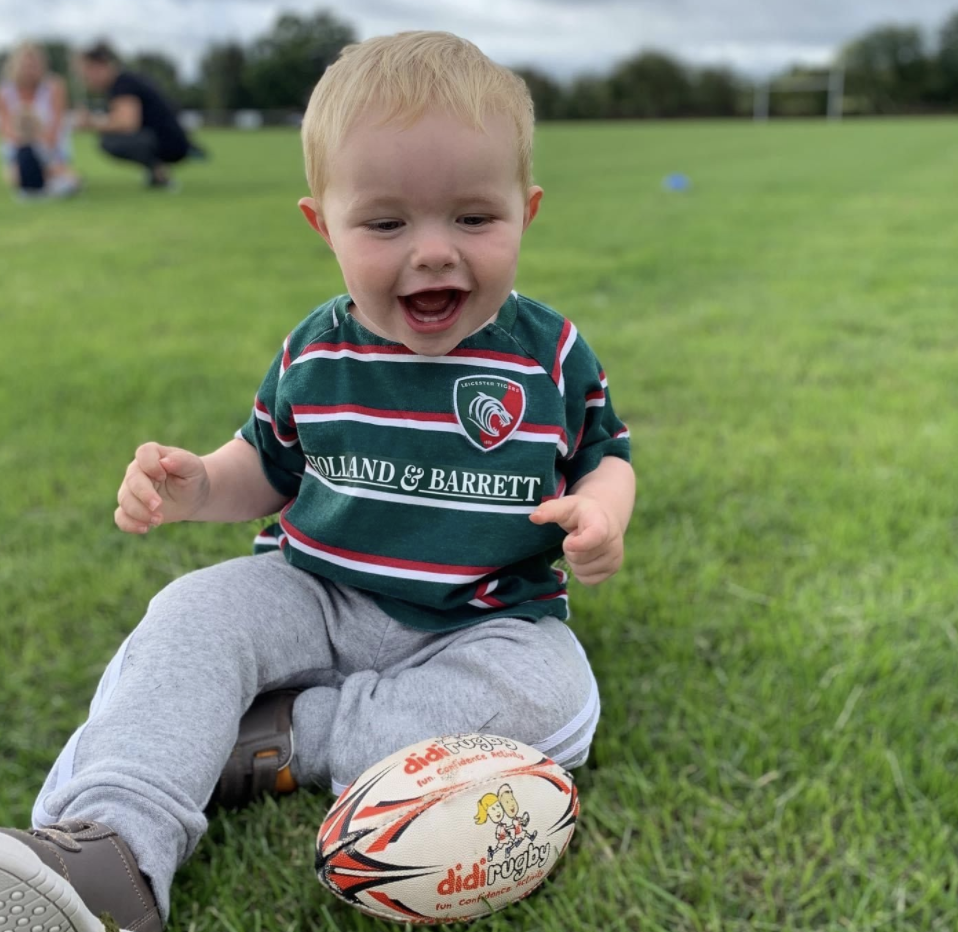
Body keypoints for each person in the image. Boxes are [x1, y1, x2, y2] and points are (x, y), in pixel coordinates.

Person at [0, 31, 634, 932]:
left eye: (473, 218)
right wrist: (196, 487)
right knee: (192, 614)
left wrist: (600, 511)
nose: (433, 253)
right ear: (322, 224)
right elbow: (261, 467)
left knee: (556, 701)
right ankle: (108, 851)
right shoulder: (317, 351)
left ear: (525, 212)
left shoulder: (550, 355)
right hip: (316, 591)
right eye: (385, 224)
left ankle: (283, 737)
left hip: (484, 618)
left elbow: (608, 452)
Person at [73, 41, 202, 189]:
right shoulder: (125, 81)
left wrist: (91, 123)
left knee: (109, 141)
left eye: (85, 74)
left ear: (97, 67)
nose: (85, 81)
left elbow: (127, 123)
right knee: (109, 137)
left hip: (170, 142)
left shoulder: (123, 84)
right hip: (170, 138)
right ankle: (156, 172)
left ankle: (158, 171)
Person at [0, 41, 81, 196]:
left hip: (51, 146)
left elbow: (57, 122)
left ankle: (49, 179)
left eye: (34, 65)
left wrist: (42, 146)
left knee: (54, 170)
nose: (30, 70)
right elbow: (6, 127)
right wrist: (26, 147)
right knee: (18, 175)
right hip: (19, 148)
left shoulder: (55, 87)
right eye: (25, 65)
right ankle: (49, 182)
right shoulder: (4, 92)